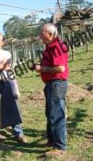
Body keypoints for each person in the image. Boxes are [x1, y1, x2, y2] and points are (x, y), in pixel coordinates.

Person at [0, 33, 27, 144]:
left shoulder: (6, 53)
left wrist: (15, 87)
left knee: (13, 107)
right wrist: (0, 66)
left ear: (3, 42)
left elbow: (7, 68)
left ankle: (18, 133)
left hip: (7, 83)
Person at [34, 23, 69, 156]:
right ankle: (52, 140)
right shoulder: (51, 47)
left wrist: (42, 68)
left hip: (56, 84)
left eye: (41, 33)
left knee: (56, 115)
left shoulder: (56, 47)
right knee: (50, 113)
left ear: (49, 34)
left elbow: (60, 68)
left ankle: (60, 147)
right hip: (52, 83)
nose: (40, 36)